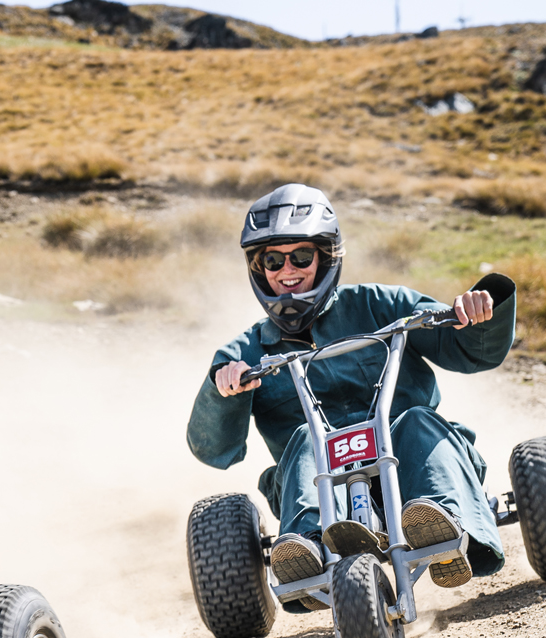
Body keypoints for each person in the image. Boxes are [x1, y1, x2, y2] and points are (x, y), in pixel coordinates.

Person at [186, 184, 516, 609]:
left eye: (301, 256)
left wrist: (475, 312)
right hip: (318, 487)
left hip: (415, 466)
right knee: (308, 436)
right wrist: (224, 390)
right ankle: (305, 547)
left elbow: (472, 353)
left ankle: (442, 521)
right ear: (258, 268)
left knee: (416, 419)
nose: (288, 269)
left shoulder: (383, 305)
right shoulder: (244, 354)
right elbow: (214, 449)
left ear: (326, 257)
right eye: (273, 259)